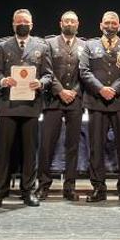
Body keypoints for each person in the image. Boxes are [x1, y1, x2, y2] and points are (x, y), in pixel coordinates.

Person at [0, 9, 53, 207]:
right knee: (3, 151)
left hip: (31, 106)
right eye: (19, 22)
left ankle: (28, 191)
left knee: (29, 151)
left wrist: (40, 83)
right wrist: (2, 80)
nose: (22, 24)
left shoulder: (41, 46)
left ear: (31, 25)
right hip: (8, 104)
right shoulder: (2, 45)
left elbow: (48, 74)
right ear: (13, 24)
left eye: (26, 21)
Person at [79, 11, 120, 203]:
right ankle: (98, 188)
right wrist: (100, 89)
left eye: (113, 23)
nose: (110, 26)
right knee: (96, 147)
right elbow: (84, 70)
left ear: (119, 26)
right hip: (97, 102)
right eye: (107, 23)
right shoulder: (90, 45)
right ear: (100, 25)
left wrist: (113, 89)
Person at [38, 11, 85, 201]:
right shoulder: (48, 43)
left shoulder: (84, 45)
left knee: (72, 145)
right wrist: (60, 91)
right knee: (47, 144)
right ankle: (43, 185)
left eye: (73, 21)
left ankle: (70, 186)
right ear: (60, 23)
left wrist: (74, 91)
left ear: (78, 24)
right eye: (67, 20)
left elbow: (86, 73)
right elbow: (46, 70)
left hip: (76, 99)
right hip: (53, 100)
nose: (70, 23)